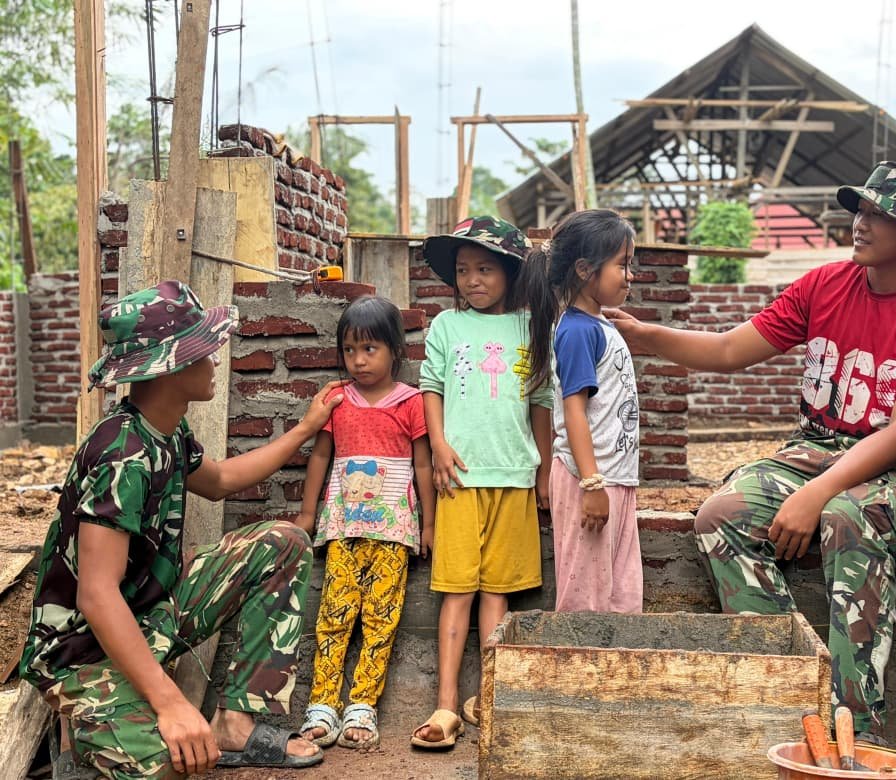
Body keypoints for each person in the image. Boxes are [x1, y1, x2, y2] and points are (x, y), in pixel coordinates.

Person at [608, 161, 896, 738]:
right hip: (817, 448)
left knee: (849, 517)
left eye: (880, 214)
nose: (861, 223)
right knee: (721, 515)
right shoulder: (825, 285)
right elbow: (729, 350)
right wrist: (642, 334)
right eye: (861, 209)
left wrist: (816, 494)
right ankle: (793, 695)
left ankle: (857, 727)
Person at [20, 280, 342, 778]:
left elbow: (221, 481)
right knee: (170, 762)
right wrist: (171, 704)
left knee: (282, 544)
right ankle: (84, 743)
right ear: (170, 367)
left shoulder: (165, 431)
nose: (213, 360)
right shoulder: (121, 455)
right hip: (82, 651)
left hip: (149, 612)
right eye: (203, 351)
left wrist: (304, 429)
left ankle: (235, 724)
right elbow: (97, 596)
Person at [410, 215, 553, 749]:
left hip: (514, 476)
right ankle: (447, 704)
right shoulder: (447, 326)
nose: (472, 280)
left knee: (497, 594)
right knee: (457, 592)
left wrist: (543, 472)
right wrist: (439, 444)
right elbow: (430, 388)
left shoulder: (531, 328)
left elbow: (541, 403)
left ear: (511, 273)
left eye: (485, 269)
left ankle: (490, 695)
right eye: (463, 270)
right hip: (459, 478)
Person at [293, 295, 435, 750]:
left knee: (380, 620)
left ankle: (362, 706)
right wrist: (308, 513)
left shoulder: (411, 403)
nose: (358, 360)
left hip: (393, 533)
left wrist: (429, 525)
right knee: (333, 616)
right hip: (343, 529)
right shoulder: (337, 400)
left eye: (369, 349)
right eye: (350, 350)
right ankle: (321, 705)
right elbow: (320, 456)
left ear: (395, 349)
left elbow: (424, 466)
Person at [522, 209, 643, 613]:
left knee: (621, 598)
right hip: (587, 480)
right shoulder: (576, 331)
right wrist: (591, 485)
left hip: (614, 479)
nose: (630, 275)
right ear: (584, 269)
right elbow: (574, 411)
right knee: (584, 603)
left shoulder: (598, 324)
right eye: (622, 264)